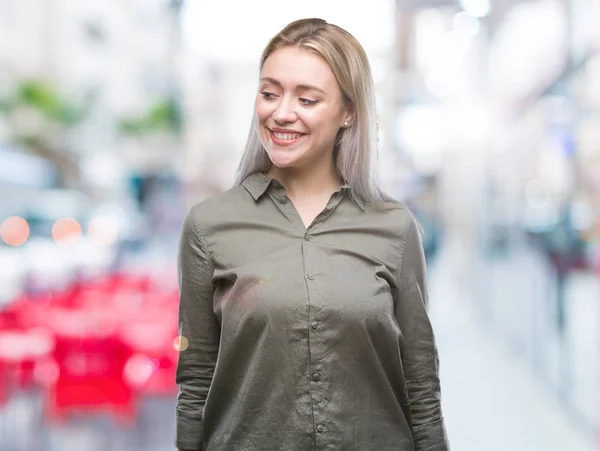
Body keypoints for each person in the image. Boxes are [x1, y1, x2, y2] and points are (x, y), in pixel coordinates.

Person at [175, 18, 449, 451]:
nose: (282, 112)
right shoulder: (209, 226)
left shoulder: (394, 229)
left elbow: (421, 382)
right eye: (269, 93)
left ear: (348, 112)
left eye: (307, 98)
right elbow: (195, 379)